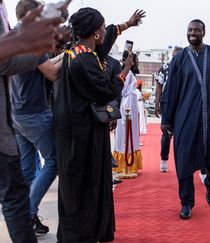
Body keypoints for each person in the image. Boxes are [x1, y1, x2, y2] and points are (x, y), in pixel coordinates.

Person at [53, 8, 135, 242]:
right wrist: (125, 69)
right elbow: (107, 91)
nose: (103, 29)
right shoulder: (86, 59)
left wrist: (126, 25)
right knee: (84, 185)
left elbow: (107, 37)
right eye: (101, 26)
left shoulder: (74, 51)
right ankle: (83, 234)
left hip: (74, 129)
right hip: (81, 133)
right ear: (93, 32)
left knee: (76, 185)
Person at [161, 19, 210, 220]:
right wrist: (167, 120)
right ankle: (186, 203)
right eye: (190, 30)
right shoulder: (178, 60)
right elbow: (170, 91)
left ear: (204, 32)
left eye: (196, 30)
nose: (192, 33)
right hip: (185, 119)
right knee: (185, 161)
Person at [0, 2, 62, 242]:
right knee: (54, 161)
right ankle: (30, 212)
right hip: (33, 112)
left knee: (25, 170)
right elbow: (51, 72)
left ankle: (25, 214)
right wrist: (72, 57)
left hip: (15, 113)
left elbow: (43, 66)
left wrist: (63, 56)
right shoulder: (31, 38)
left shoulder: (14, 33)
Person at [113, 54, 143, 177]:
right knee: (125, 135)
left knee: (132, 134)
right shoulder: (126, 73)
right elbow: (123, 90)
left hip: (131, 106)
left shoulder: (130, 73)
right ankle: (125, 164)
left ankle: (130, 163)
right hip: (127, 107)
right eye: (135, 59)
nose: (137, 61)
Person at [155, 46, 182, 172]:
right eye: (175, 55)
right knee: (166, 133)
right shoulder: (165, 68)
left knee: (182, 135)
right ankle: (164, 159)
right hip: (167, 104)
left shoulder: (186, 67)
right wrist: (157, 103)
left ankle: (181, 161)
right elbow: (159, 87)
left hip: (182, 105)